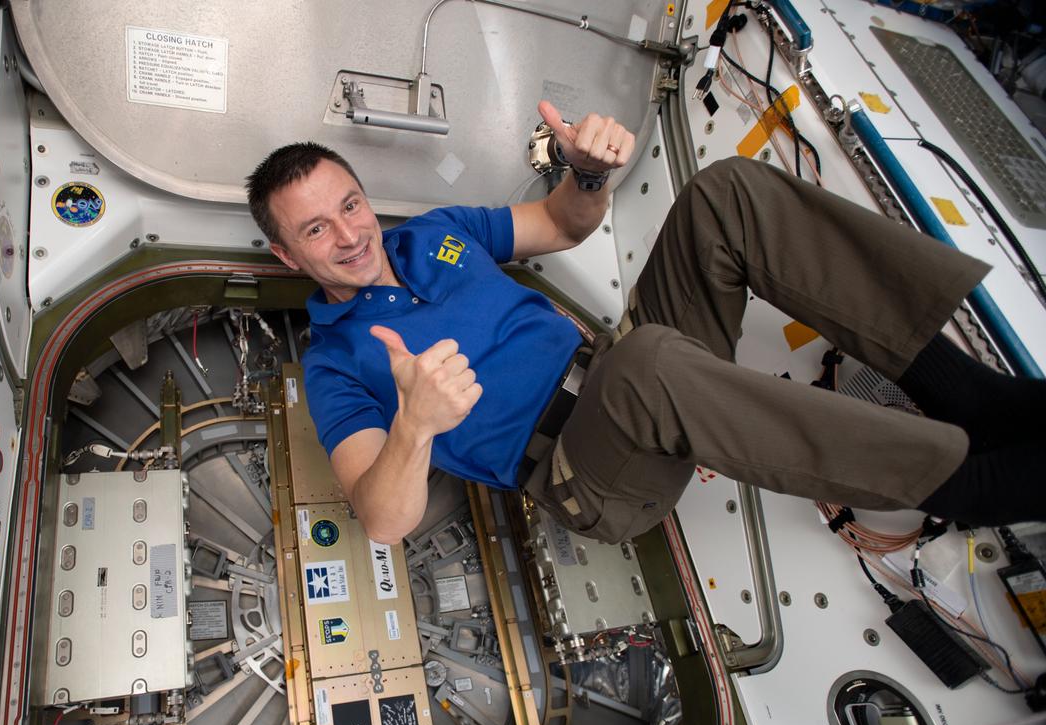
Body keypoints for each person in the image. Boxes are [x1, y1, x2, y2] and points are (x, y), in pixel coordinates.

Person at [245, 101, 1045, 545]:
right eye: (316, 229)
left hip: (630, 372)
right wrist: (415, 427)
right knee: (648, 364)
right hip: (585, 473)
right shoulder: (335, 364)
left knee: (725, 195)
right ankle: (962, 479)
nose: (350, 235)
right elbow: (382, 520)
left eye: (350, 204)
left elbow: (563, 225)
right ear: (287, 255)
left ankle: (967, 393)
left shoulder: (432, 232)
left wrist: (585, 174)